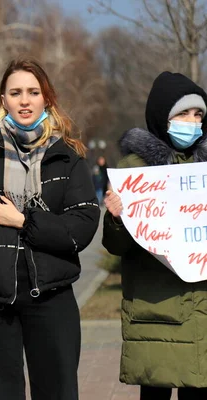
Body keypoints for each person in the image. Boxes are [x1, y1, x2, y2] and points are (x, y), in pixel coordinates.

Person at [0, 57, 100, 400]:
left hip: (53, 298)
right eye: (15, 93)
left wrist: (25, 221)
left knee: (58, 392)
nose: (24, 100)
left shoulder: (68, 158)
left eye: (33, 92)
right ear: (3, 101)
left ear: (47, 100)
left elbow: (82, 227)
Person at [103, 71, 207, 400]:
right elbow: (115, 245)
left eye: (198, 114)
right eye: (183, 114)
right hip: (157, 314)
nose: (192, 121)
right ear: (163, 118)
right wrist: (117, 217)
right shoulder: (134, 171)